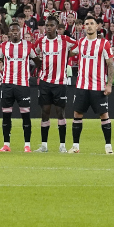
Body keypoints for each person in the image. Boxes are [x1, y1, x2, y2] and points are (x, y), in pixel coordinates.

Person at [70, 17, 114, 154]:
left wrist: (109, 85)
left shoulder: (104, 43)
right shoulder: (80, 43)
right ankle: (75, 146)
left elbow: (110, 64)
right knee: (77, 114)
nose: (89, 26)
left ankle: (108, 147)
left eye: (92, 24)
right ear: (83, 27)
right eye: (86, 24)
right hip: (81, 86)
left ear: (97, 27)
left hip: (98, 87)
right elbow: (69, 52)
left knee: (104, 115)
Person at [33, 16, 74, 153]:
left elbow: (79, 45)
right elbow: (33, 54)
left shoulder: (64, 40)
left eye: (51, 25)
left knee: (60, 113)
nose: (48, 28)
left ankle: (62, 145)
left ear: (57, 27)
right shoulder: (41, 41)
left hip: (59, 83)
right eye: (47, 25)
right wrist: (39, 63)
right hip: (44, 82)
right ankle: (44, 145)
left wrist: (68, 54)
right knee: (45, 112)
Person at [0, 20, 33, 153]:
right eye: (13, 30)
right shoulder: (3, 46)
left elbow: (36, 60)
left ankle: (27, 145)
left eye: (17, 30)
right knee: (6, 115)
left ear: (20, 31)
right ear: (9, 32)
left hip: (23, 85)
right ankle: (6, 144)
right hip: (7, 85)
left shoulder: (28, 45)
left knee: (26, 116)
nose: (15, 32)